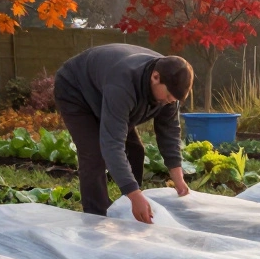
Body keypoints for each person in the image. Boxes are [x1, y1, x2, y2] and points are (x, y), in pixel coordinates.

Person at [53, 44, 193, 222]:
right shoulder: (123, 83)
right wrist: (134, 194)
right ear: (155, 77)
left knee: (136, 150)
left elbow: (169, 133)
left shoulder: (170, 87)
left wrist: (178, 177)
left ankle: (127, 208)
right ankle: (96, 218)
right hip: (76, 90)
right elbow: (112, 144)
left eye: (173, 100)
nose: (168, 102)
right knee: (94, 155)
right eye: (167, 97)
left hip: (105, 90)